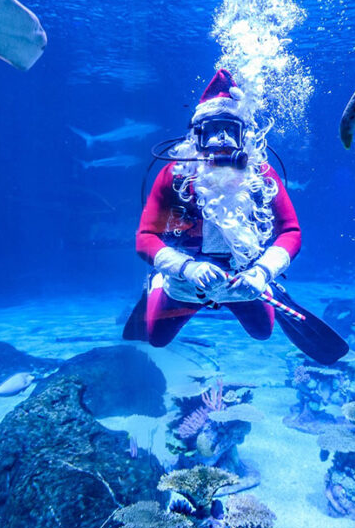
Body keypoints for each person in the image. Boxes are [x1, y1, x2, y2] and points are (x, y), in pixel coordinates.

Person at [128, 69, 301, 347]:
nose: (222, 139)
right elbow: (145, 237)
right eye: (212, 130)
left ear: (244, 136)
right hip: (186, 278)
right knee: (157, 339)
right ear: (196, 135)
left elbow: (290, 231)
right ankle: (159, 282)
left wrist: (262, 272)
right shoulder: (175, 175)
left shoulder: (263, 175)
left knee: (262, 331)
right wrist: (185, 268)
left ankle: (269, 287)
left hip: (243, 279)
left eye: (231, 129)